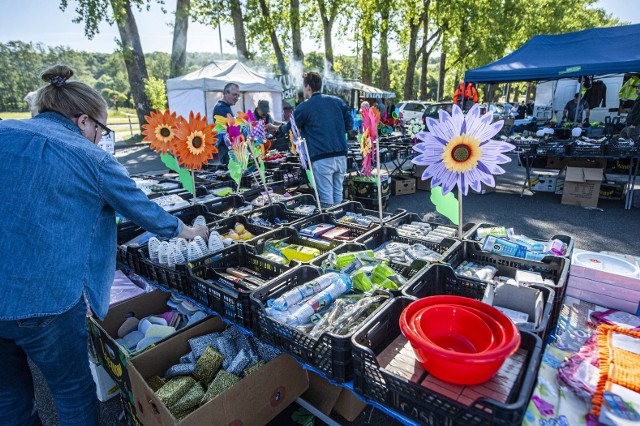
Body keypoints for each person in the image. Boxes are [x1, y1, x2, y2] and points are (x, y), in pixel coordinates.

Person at [0, 64, 209, 425]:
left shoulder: (5, 131)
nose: (100, 138)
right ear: (84, 121)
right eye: (101, 129)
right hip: (48, 301)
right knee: (71, 393)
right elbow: (143, 210)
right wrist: (186, 232)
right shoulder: (91, 157)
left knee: (9, 401)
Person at [267, 71, 354, 206]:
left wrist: (274, 127)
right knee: (338, 194)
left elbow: (290, 128)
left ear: (308, 86)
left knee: (326, 200)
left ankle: (333, 224)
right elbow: (349, 125)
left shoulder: (305, 106)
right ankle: (340, 220)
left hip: (322, 157)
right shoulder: (338, 102)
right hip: (341, 155)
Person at [213, 82, 240, 165]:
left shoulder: (225, 107)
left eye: (238, 96)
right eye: (234, 95)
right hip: (226, 149)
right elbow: (228, 131)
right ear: (225, 93)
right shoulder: (221, 108)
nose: (236, 98)